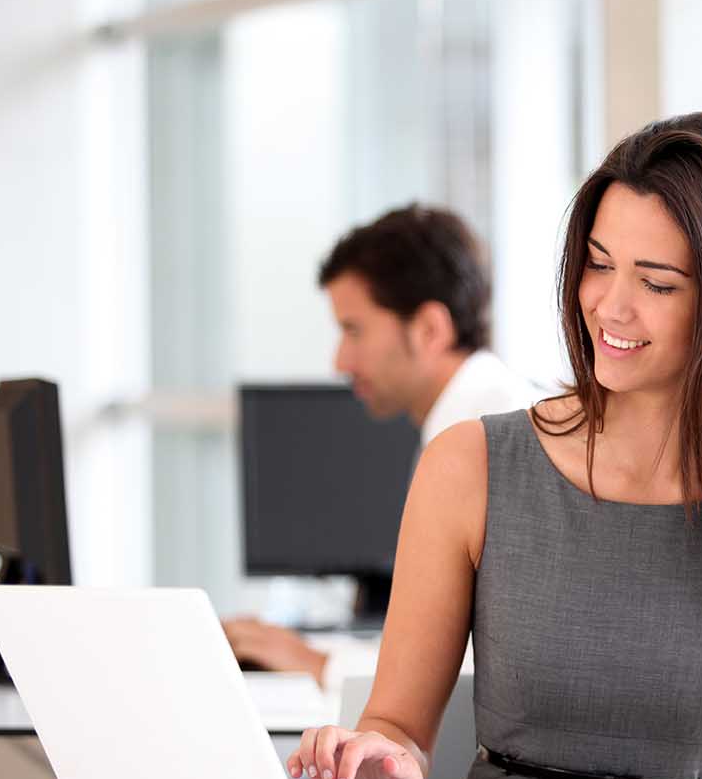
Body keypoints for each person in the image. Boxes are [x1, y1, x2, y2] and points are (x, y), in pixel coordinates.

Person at [287, 113, 702, 779]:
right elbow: (396, 727)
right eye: (599, 264)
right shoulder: (469, 466)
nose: (610, 306)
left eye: (658, 283)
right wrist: (377, 758)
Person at [223, 204, 538, 688]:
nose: (340, 360)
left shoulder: (489, 438)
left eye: (354, 330)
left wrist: (317, 663)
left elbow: (483, 665)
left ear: (430, 329)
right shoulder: (472, 416)